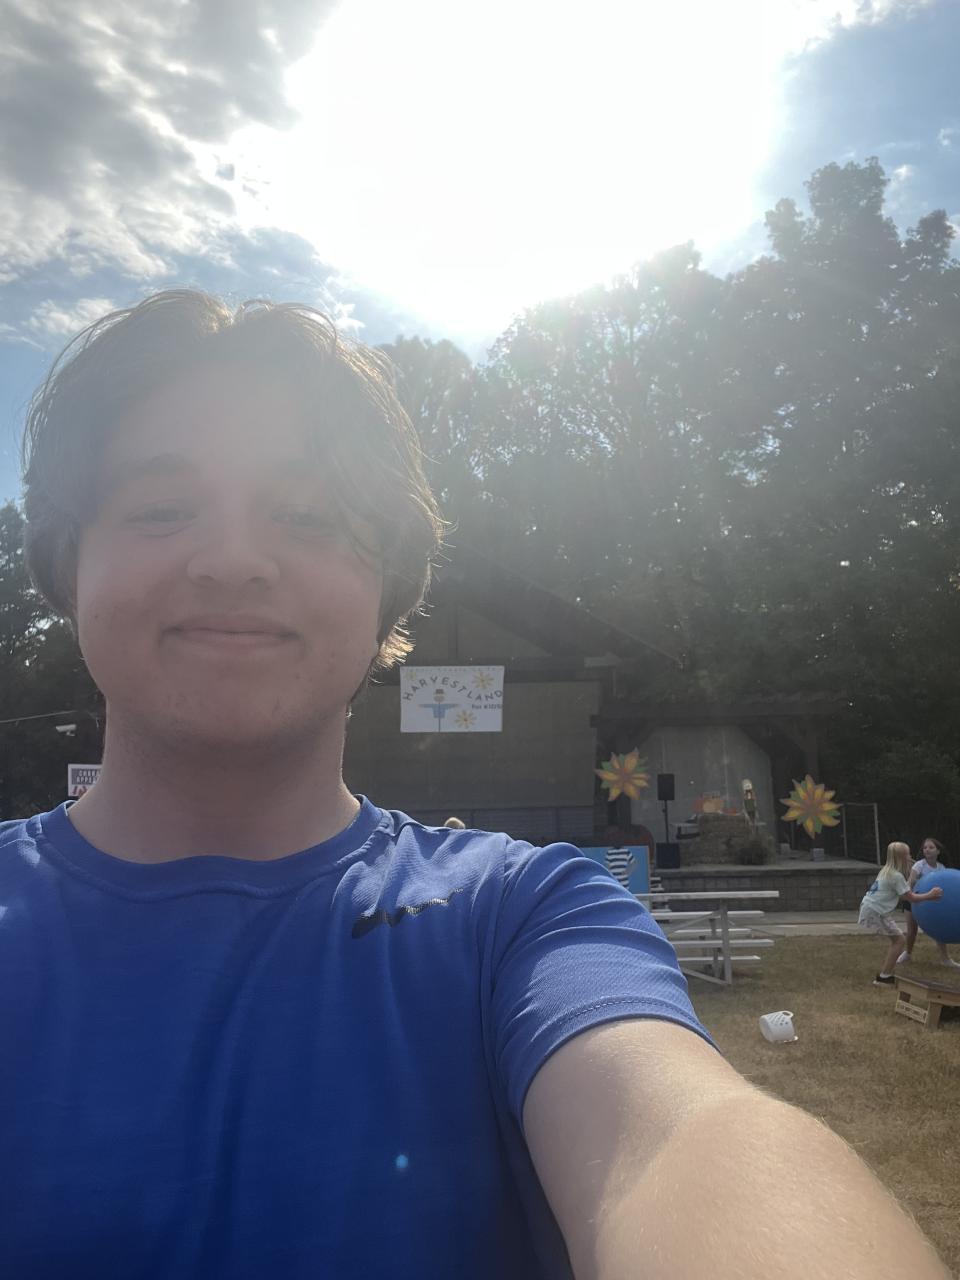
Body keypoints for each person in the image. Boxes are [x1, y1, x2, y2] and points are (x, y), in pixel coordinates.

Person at [0, 291, 948, 1279]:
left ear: (387, 589)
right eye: (160, 508)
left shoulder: (525, 920)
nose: (233, 559)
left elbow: (684, 1134)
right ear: (68, 564)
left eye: (309, 515)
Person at [858, 842, 944, 986]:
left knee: (898, 940)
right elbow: (910, 898)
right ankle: (884, 977)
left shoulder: (886, 871)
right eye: (908, 854)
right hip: (877, 911)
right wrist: (930, 895)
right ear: (902, 857)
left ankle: (885, 975)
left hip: (872, 908)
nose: (910, 857)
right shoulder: (896, 876)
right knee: (899, 940)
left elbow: (904, 895)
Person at [898, 837, 960, 968]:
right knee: (912, 930)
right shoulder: (919, 865)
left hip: (932, 903)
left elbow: (945, 886)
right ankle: (907, 953)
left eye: (931, 847)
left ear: (938, 851)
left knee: (938, 929)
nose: (927, 850)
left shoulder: (941, 868)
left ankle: (945, 959)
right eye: (925, 847)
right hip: (914, 899)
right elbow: (910, 882)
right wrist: (907, 895)